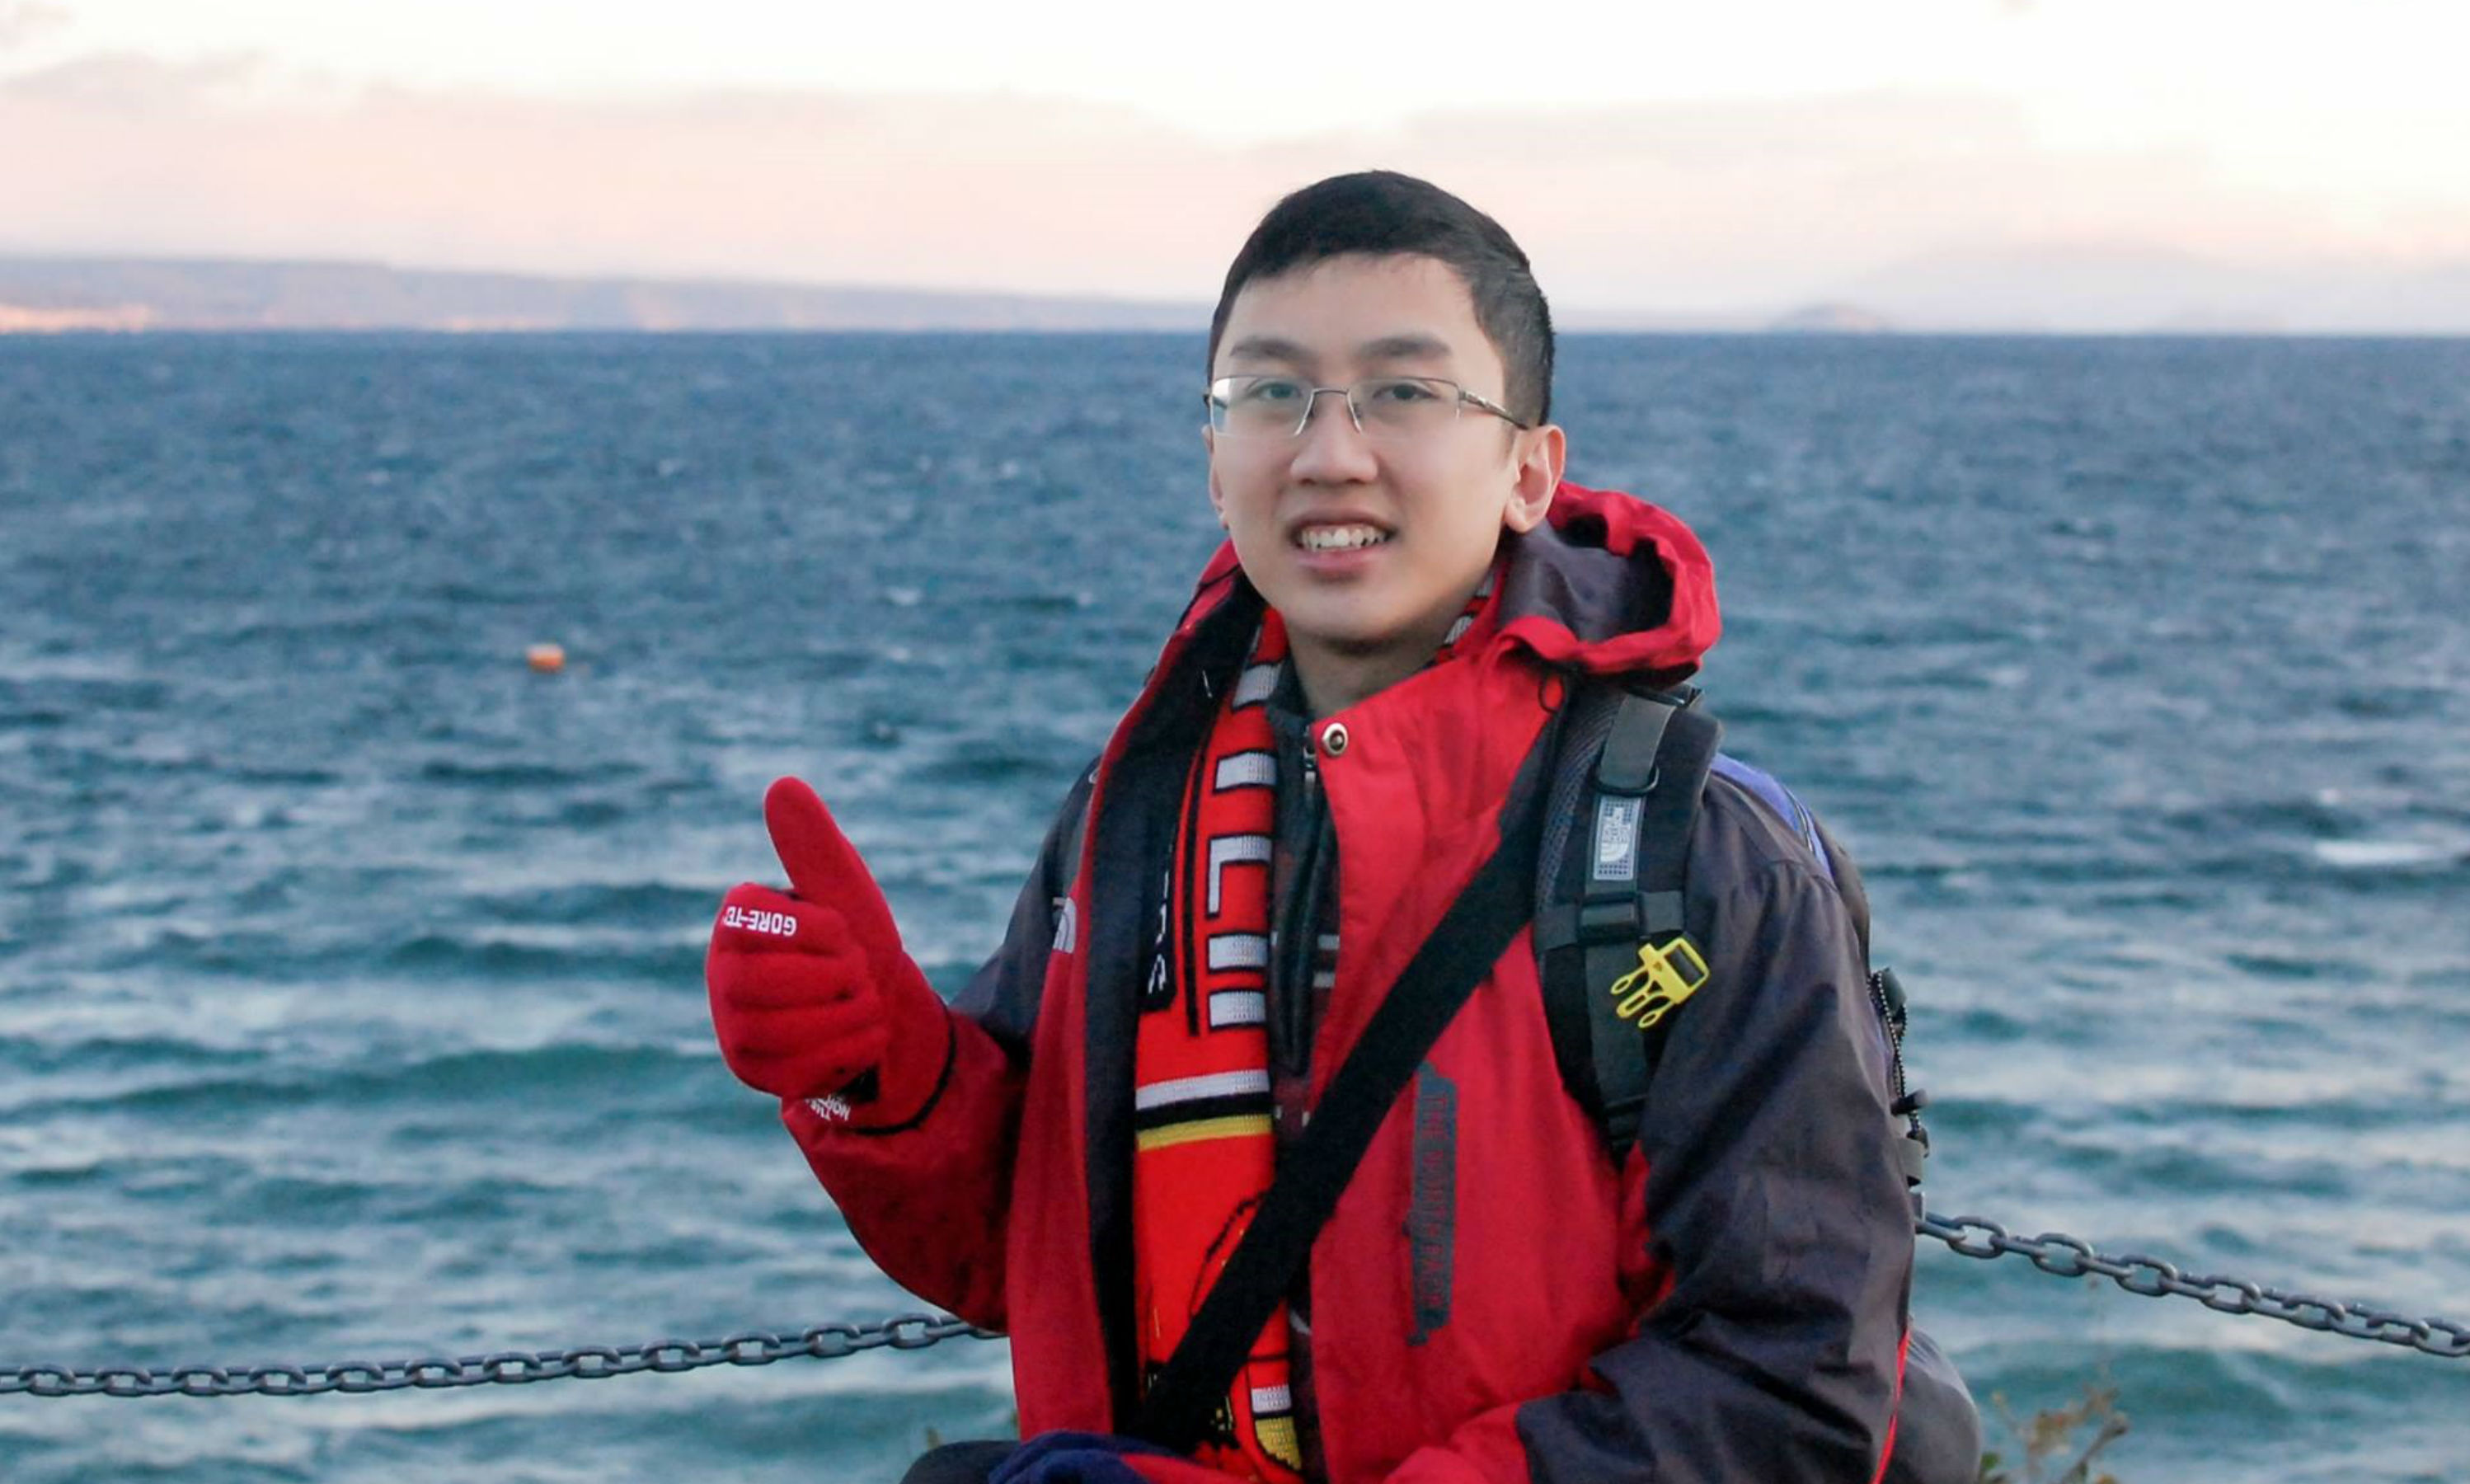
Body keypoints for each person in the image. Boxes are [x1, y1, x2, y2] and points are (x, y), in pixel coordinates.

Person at [706, 171, 1919, 1484]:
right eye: (1270, 392)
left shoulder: (1696, 853)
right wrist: (882, 1073)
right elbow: (1028, 1245)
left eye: (1405, 391)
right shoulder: (1138, 814)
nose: (1329, 450)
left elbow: (1790, 1382)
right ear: (1214, 455)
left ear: (1527, 468)